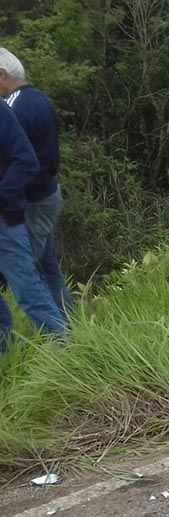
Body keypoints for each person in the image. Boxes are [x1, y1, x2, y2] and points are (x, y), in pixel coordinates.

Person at [0, 48, 71, 311]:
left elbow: (21, 160)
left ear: (1, 75)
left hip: (32, 201)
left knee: (27, 274)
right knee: (47, 267)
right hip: (46, 194)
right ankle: (70, 322)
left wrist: (7, 195)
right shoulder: (39, 100)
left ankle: (56, 332)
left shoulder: (13, 107)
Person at [0, 101, 66, 353]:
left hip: (4, 221)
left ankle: (66, 354)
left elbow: (26, 160)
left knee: (28, 291)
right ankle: (6, 354)